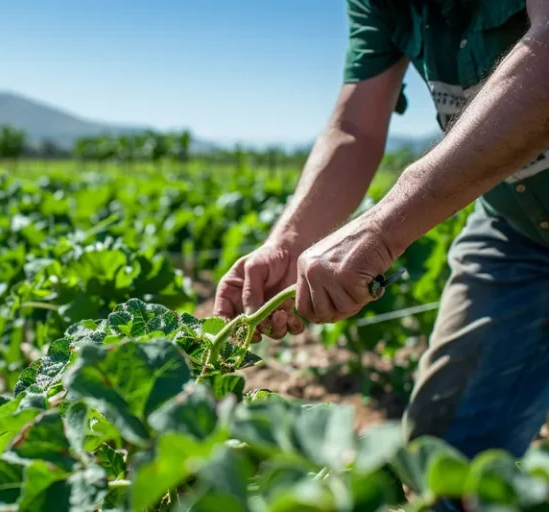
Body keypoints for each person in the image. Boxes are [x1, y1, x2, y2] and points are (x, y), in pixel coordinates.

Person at [215, 0, 549, 470]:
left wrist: (381, 230)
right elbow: (355, 128)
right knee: (445, 456)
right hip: (516, 230)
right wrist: (289, 243)